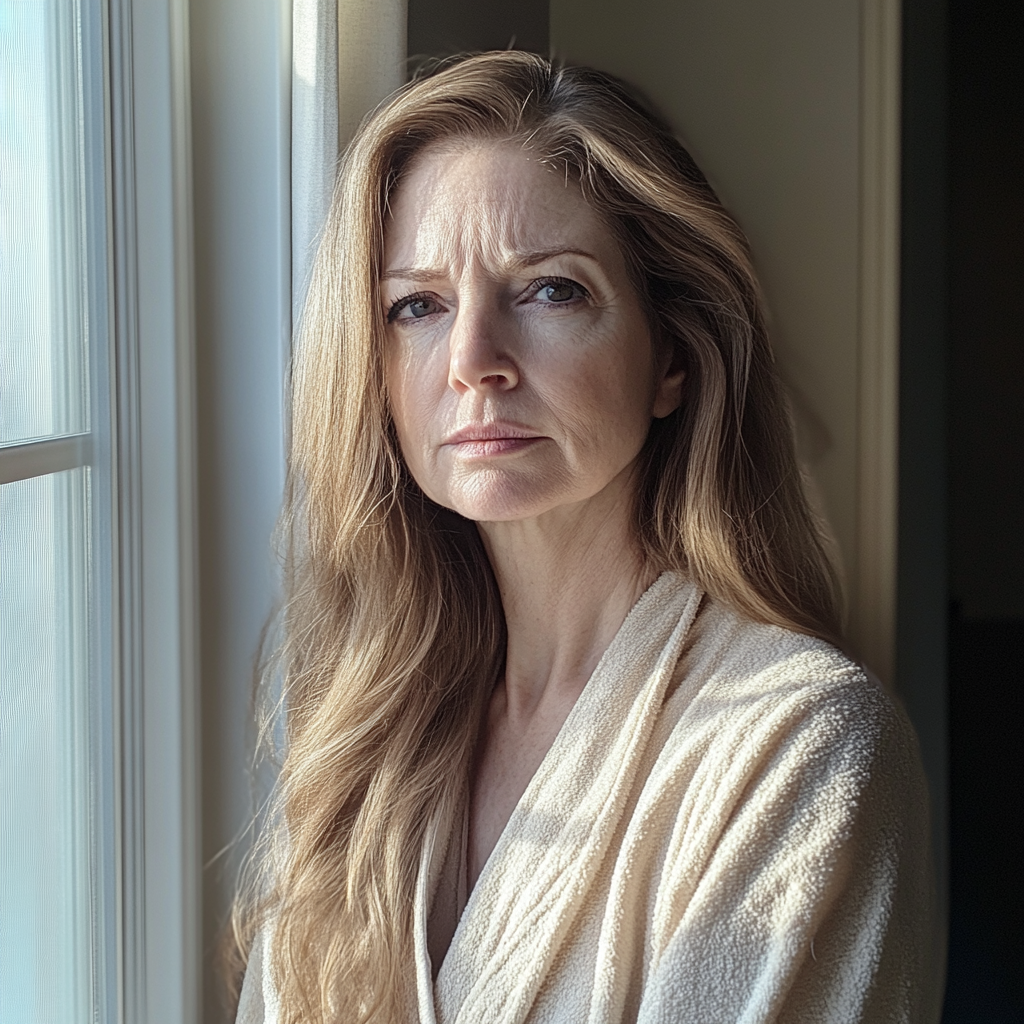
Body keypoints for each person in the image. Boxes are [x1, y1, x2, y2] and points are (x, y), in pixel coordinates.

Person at [230, 51, 937, 1024]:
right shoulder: (368, 729)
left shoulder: (800, 748)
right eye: (418, 306)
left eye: (550, 290)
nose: (474, 361)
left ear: (672, 359)